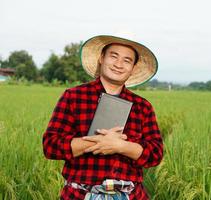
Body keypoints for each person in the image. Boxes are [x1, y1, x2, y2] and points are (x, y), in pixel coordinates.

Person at [42, 35, 163, 200]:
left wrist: (121, 146)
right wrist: (95, 142)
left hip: (130, 195)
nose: (119, 64)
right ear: (101, 58)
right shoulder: (74, 96)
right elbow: (50, 146)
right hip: (79, 194)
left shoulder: (142, 106)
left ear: (133, 68)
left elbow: (155, 153)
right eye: (114, 56)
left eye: (127, 60)